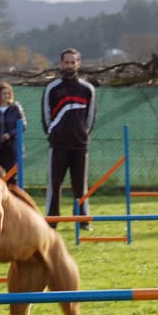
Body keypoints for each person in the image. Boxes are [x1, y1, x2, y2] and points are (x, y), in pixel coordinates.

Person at [42, 48, 97, 231]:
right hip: (58, 145)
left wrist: (83, 133)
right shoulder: (52, 88)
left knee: (80, 185)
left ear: (78, 64)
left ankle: (84, 220)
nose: (69, 65)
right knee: (54, 184)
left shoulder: (87, 89)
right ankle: (52, 221)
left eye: (73, 62)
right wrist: (53, 134)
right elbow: (46, 116)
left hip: (80, 145)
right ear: (60, 64)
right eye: (66, 62)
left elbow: (90, 118)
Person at [0, 81, 26, 184]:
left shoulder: (15, 109)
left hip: (10, 146)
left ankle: (12, 195)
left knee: (10, 174)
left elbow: (22, 126)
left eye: (8, 93)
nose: (6, 96)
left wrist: (10, 134)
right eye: (4, 93)